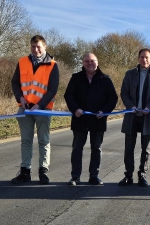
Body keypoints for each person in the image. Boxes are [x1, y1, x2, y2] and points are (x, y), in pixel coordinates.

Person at [10, 35, 59, 184]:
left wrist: (40, 105)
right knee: (26, 140)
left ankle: (43, 171)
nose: (35, 49)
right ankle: (25, 171)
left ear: (45, 47)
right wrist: (20, 98)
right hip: (25, 109)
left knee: (44, 140)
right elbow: (15, 83)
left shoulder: (52, 64)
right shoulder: (22, 61)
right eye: (33, 46)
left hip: (43, 109)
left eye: (38, 46)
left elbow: (52, 89)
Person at [64, 53, 118, 186]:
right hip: (79, 119)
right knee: (77, 149)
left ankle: (94, 176)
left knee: (96, 148)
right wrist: (75, 109)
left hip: (98, 120)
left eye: (92, 61)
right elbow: (68, 95)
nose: (90, 63)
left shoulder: (105, 79)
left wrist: (104, 111)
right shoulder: (76, 78)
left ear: (97, 62)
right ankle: (75, 177)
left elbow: (113, 98)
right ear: (83, 63)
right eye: (87, 61)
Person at [118, 48, 150, 187]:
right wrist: (130, 105)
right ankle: (128, 176)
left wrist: (149, 107)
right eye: (142, 57)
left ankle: (142, 175)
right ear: (138, 58)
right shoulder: (129, 74)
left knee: (146, 149)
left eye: (147, 57)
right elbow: (124, 92)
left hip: (147, 117)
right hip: (132, 116)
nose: (144, 60)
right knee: (129, 148)